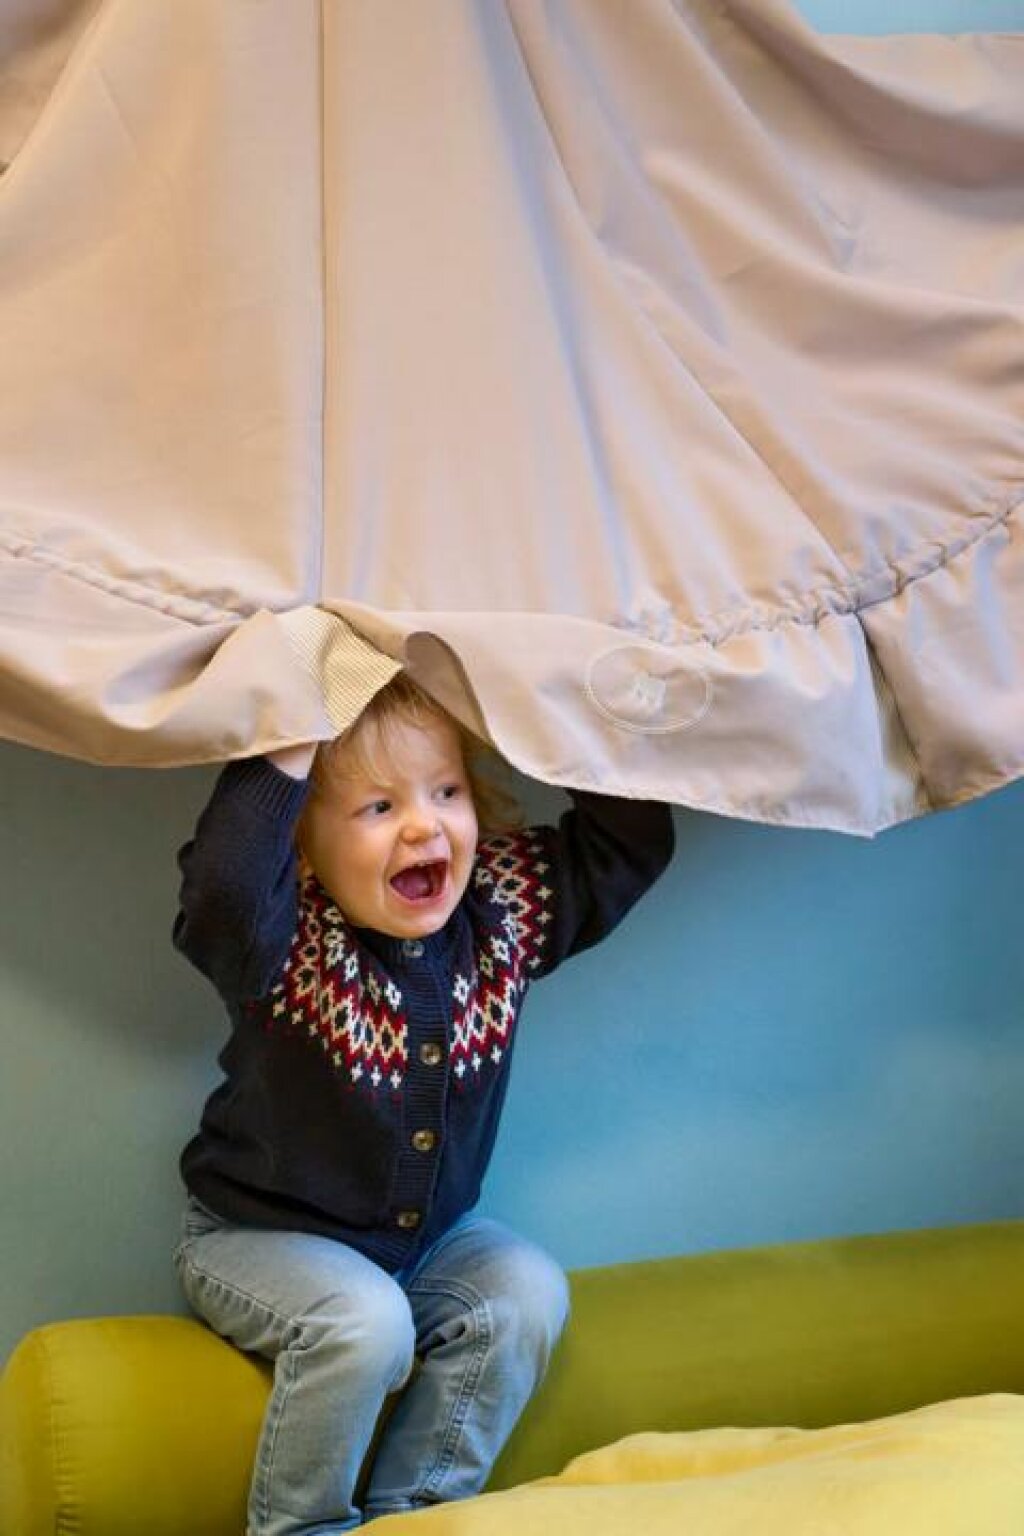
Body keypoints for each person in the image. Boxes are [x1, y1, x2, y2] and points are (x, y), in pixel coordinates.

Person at [172, 671, 674, 1535]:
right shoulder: (287, 938)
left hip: (431, 1246)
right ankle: (303, 1527)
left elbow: (629, 845)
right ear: (301, 852)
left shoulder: (501, 912)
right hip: (257, 1240)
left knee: (524, 1291)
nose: (423, 824)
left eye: (447, 792)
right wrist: (296, 714)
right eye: (376, 809)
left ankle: (418, 1515)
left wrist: (544, 692)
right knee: (367, 1326)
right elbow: (221, 890)